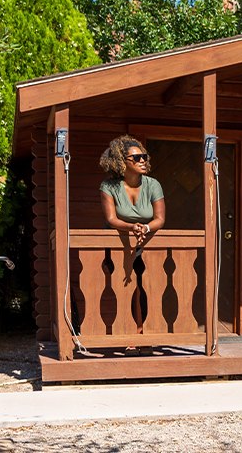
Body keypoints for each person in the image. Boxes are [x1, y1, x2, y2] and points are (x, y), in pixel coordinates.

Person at [99, 135, 165, 354]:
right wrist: (131, 227)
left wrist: (145, 228)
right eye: (137, 158)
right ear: (121, 161)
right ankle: (127, 333)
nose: (143, 160)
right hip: (118, 246)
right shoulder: (109, 186)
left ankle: (141, 335)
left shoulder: (153, 185)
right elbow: (111, 219)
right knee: (124, 289)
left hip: (145, 244)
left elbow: (160, 219)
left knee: (143, 288)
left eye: (144, 156)